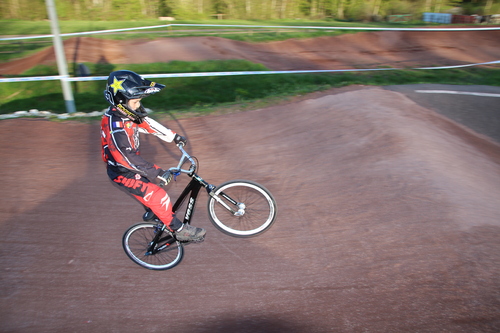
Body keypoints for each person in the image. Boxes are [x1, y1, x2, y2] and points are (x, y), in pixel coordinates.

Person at [100, 70, 206, 241]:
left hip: (132, 166)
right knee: (158, 195)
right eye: (135, 102)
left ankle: (152, 213)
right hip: (121, 171)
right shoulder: (116, 125)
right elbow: (124, 157)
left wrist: (173, 137)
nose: (138, 106)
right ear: (121, 102)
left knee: (152, 192)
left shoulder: (126, 114)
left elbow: (146, 123)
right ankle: (179, 231)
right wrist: (156, 172)